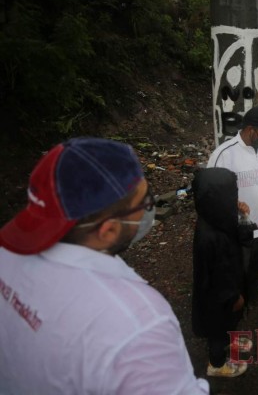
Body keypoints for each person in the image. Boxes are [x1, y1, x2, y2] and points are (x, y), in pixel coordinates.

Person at [0, 138, 208, 394]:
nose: (149, 209)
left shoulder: (6, 254)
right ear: (108, 230)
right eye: (144, 202)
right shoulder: (138, 326)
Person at [207, 105, 258, 306]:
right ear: (250, 129)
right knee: (236, 268)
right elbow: (209, 194)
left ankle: (251, 293)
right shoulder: (224, 155)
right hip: (237, 230)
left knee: (256, 265)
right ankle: (234, 303)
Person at [191, 167, 253, 378]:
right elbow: (218, 276)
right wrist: (233, 297)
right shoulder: (210, 236)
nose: (234, 197)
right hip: (219, 297)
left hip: (230, 284)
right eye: (231, 193)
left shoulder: (217, 217)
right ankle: (217, 364)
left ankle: (229, 339)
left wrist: (243, 217)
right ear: (217, 197)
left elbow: (244, 241)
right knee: (218, 328)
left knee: (229, 321)